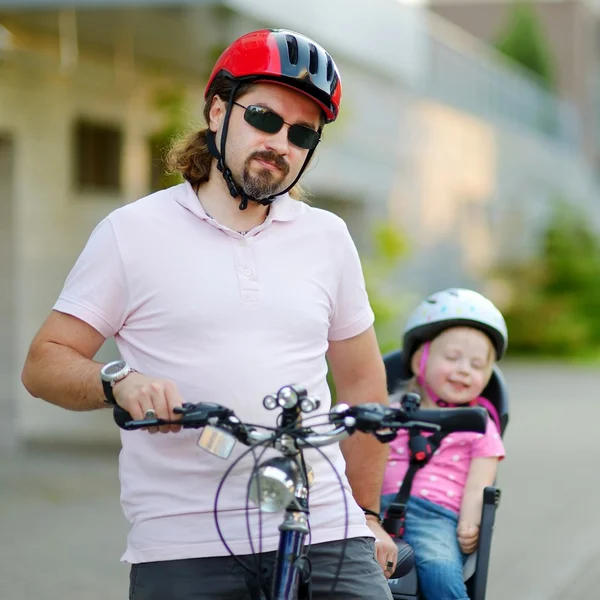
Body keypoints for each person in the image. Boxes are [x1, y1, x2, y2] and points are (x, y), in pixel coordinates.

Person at [21, 29, 397, 599]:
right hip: (187, 541)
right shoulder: (133, 233)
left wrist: (366, 514)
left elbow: (364, 383)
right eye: (265, 119)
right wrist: (118, 380)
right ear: (218, 110)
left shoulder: (328, 238)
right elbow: (44, 363)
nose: (282, 143)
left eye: (302, 133)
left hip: (325, 527)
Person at [380, 288, 507, 600]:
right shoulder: (391, 413)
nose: (464, 368)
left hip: (434, 516)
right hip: (372, 508)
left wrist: (469, 522)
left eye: (477, 365)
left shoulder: (480, 427)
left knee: (439, 568)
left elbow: (480, 484)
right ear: (418, 360)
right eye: (452, 358)